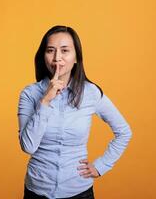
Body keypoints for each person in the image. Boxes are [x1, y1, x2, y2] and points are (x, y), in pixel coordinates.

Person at [17, 25, 132, 199]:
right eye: (50, 50)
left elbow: (124, 132)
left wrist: (100, 166)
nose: (57, 58)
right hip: (36, 191)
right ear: (43, 56)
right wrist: (46, 100)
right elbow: (28, 146)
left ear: (76, 56)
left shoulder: (91, 93)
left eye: (65, 51)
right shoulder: (30, 94)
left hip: (79, 192)